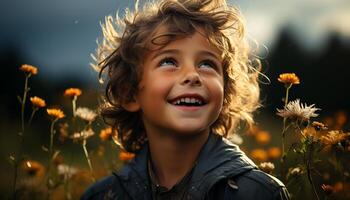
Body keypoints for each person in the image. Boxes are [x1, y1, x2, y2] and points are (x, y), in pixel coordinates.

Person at [82, 0, 290, 199]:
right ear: (130, 94)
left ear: (225, 95)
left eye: (207, 64)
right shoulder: (102, 196)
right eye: (169, 61)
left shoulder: (260, 194)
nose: (192, 75)